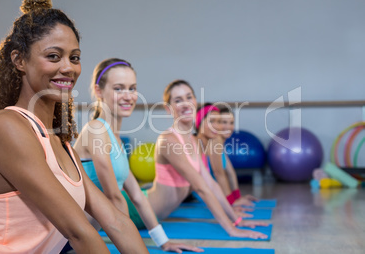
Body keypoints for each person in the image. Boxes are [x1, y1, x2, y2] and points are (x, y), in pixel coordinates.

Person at [0, 0, 148, 254]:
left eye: (74, 57)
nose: (68, 68)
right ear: (19, 60)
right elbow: (79, 233)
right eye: (53, 56)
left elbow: (117, 222)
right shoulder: (7, 126)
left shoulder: (62, 143)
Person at [74, 58, 202, 253]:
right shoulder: (96, 130)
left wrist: (163, 242)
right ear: (99, 91)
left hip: (83, 237)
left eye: (132, 88)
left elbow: (137, 196)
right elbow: (114, 198)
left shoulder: (115, 138)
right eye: (118, 89)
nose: (128, 96)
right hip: (64, 239)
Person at [146, 80, 268, 239]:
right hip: (139, 212)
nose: (185, 103)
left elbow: (211, 183)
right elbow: (201, 188)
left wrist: (237, 220)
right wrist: (232, 230)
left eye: (189, 97)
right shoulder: (168, 140)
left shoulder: (192, 140)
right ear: (168, 109)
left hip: (155, 212)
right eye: (178, 100)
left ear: (195, 101)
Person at [195, 103, 258, 207]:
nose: (228, 127)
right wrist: (232, 202)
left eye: (231, 123)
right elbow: (219, 174)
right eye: (223, 122)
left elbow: (230, 173)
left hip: (212, 192)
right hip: (202, 195)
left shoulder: (219, 143)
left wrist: (237, 197)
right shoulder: (215, 141)